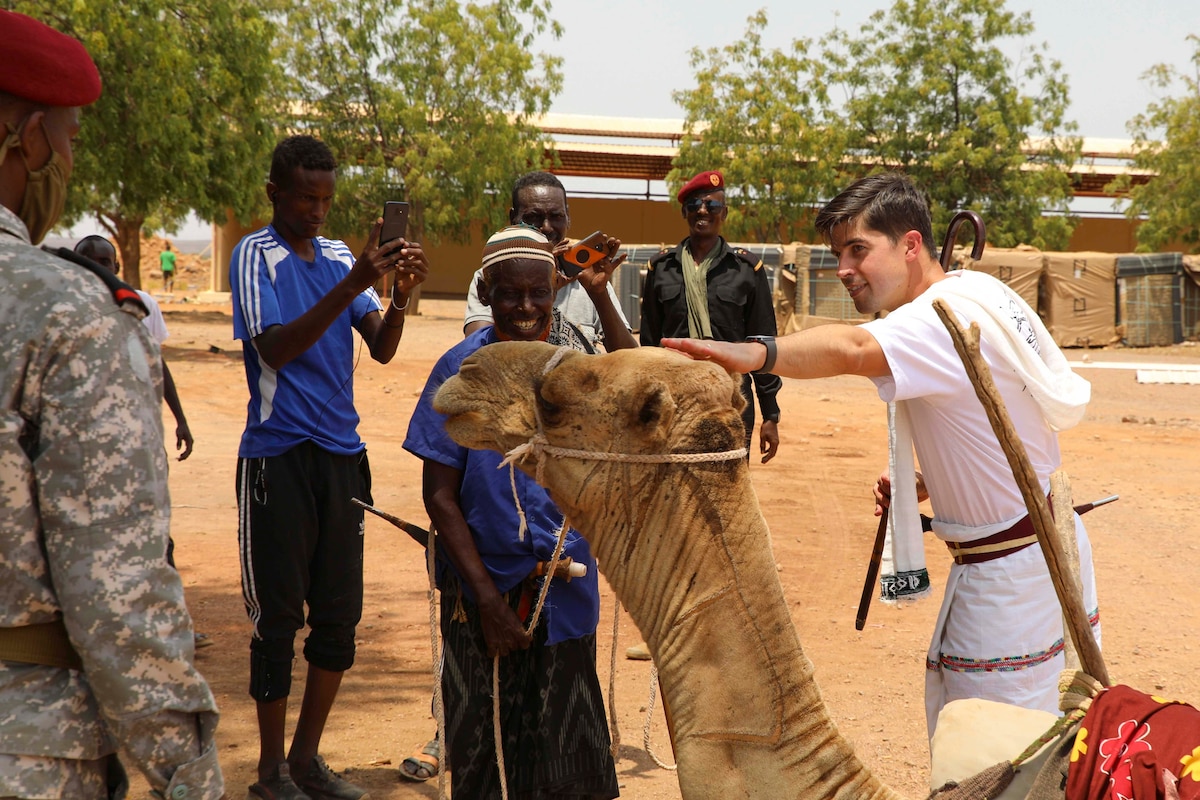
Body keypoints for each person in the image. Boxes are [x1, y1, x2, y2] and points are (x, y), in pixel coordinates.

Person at [663, 172, 1101, 739]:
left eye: (858, 249)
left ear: (912, 245)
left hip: (1010, 577)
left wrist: (748, 353)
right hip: (1045, 548)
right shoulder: (979, 292)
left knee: (997, 750)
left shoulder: (937, 318)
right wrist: (937, 479)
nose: (844, 268)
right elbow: (1002, 416)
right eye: (838, 253)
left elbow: (852, 348)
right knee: (1048, 734)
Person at [0, 9, 225, 800]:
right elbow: (118, 597)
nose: (65, 158)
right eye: (68, 139)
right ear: (28, 140)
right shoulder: (61, 311)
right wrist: (186, 773)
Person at [230, 134, 428, 800]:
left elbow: (382, 350)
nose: (318, 211)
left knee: (339, 617)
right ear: (274, 194)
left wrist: (399, 294)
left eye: (326, 199)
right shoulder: (254, 256)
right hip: (278, 459)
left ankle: (307, 759)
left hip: (344, 457)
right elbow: (276, 351)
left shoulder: (346, 256)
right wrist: (352, 284)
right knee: (278, 620)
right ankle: (267, 772)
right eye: (304, 198)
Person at [404, 225, 621, 800]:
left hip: (566, 590)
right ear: (486, 291)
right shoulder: (457, 372)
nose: (526, 308)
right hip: (481, 595)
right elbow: (440, 498)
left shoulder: (574, 369)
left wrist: (602, 293)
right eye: (510, 295)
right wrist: (487, 601)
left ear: (554, 291)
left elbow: (635, 386)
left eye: (539, 294)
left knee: (564, 761)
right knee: (483, 756)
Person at [639, 169, 781, 464]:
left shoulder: (746, 269)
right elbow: (649, 344)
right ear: (684, 212)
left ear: (723, 213)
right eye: (694, 205)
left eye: (712, 206)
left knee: (730, 484)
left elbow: (763, 343)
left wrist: (771, 414)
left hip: (732, 396)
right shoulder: (661, 269)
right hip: (674, 396)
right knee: (674, 483)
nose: (703, 211)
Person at [463, 170, 636, 353]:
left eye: (556, 216)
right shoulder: (492, 277)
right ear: (513, 218)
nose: (546, 227)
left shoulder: (587, 278)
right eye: (533, 217)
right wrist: (544, 281)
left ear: (568, 217)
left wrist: (599, 294)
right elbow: (477, 351)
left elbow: (629, 358)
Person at [74, 235, 195, 461]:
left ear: (116, 266)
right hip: (84, 439)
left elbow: (156, 362)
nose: (95, 268)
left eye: (104, 261)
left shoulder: (141, 304)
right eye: (86, 261)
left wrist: (181, 419)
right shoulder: (63, 309)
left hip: (139, 432)